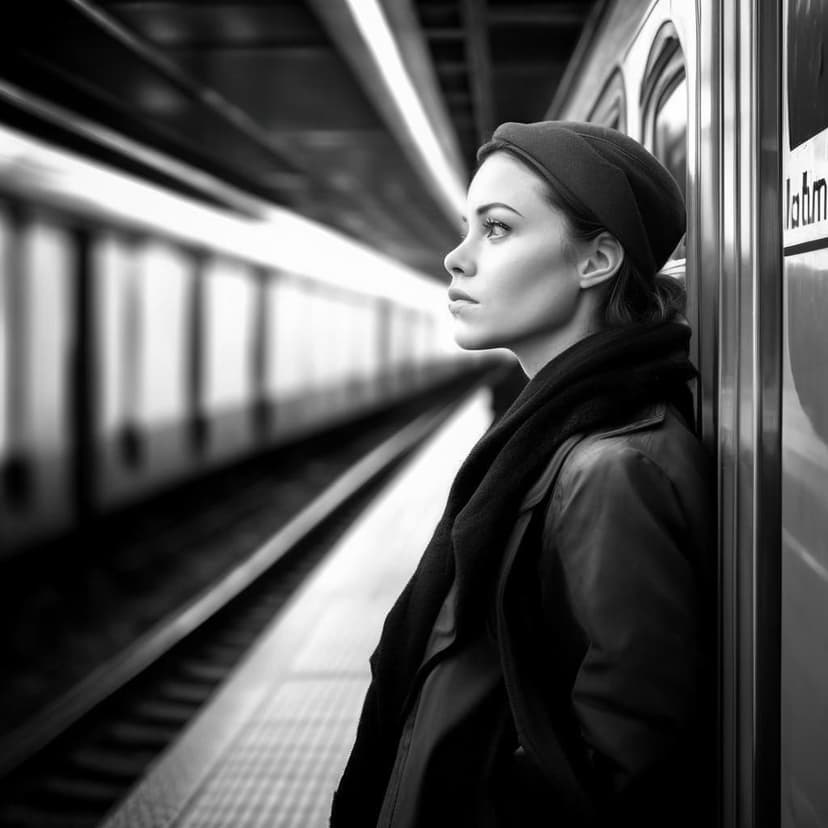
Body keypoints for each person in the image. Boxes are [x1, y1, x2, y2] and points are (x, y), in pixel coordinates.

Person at [330, 121, 714, 828]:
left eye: (497, 230)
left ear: (595, 261)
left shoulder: (611, 472)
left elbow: (626, 779)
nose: (456, 258)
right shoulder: (547, 442)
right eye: (466, 228)